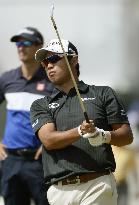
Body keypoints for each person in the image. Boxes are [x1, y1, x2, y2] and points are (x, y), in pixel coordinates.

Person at [30, 38, 133, 205]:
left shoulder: (103, 94)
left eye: (54, 59)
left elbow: (126, 136)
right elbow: (49, 140)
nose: (48, 65)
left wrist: (103, 136)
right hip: (59, 191)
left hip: (97, 185)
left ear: (73, 59)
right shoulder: (41, 104)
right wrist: (80, 131)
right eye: (44, 62)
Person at [0, 27, 53, 205]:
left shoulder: (51, 80)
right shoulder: (7, 79)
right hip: (11, 160)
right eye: (18, 43)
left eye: (26, 42)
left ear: (39, 47)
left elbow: (66, 113)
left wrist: (50, 143)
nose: (20, 47)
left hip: (41, 161)